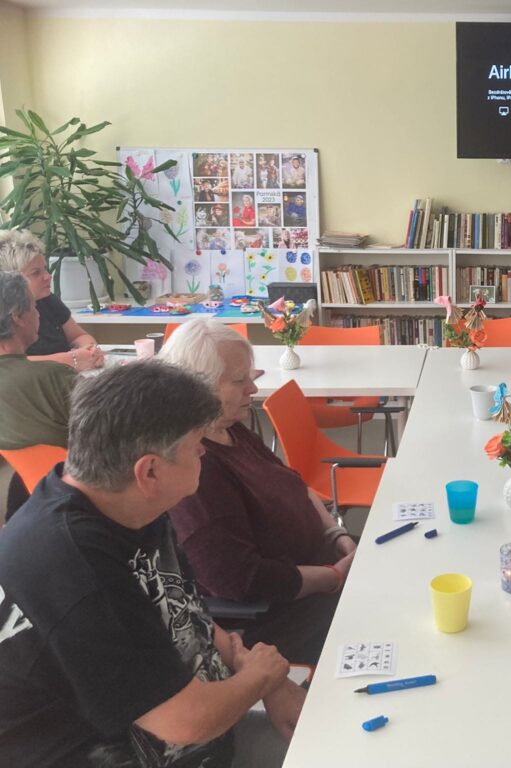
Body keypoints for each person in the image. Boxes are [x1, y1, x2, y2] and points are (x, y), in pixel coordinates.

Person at [0, 360, 304, 767]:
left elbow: (186, 610)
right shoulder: (74, 566)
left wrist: (260, 672)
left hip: (207, 728)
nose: (204, 453)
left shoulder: (124, 503)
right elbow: (187, 722)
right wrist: (261, 677)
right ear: (150, 470)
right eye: (198, 445)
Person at [161, 318, 358, 664]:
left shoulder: (231, 429)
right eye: (239, 381)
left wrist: (335, 533)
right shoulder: (196, 467)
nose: (252, 390)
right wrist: (333, 577)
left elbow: (293, 483)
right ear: (197, 387)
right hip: (282, 609)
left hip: (324, 563)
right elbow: (241, 579)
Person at [0, 272, 77, 517]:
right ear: (18, 317)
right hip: (83, 492)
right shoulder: (54, 378)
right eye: (34, 307)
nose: (39, 314)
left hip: (32, 496)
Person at [0, 229, 104, 370]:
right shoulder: (5, 313)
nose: (48, 276)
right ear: (11, 279)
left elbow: (78, 336)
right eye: (36, 273)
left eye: (45, 269)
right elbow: (11, 363)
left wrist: (90, 351)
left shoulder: (47, 299)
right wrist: (72, 359)